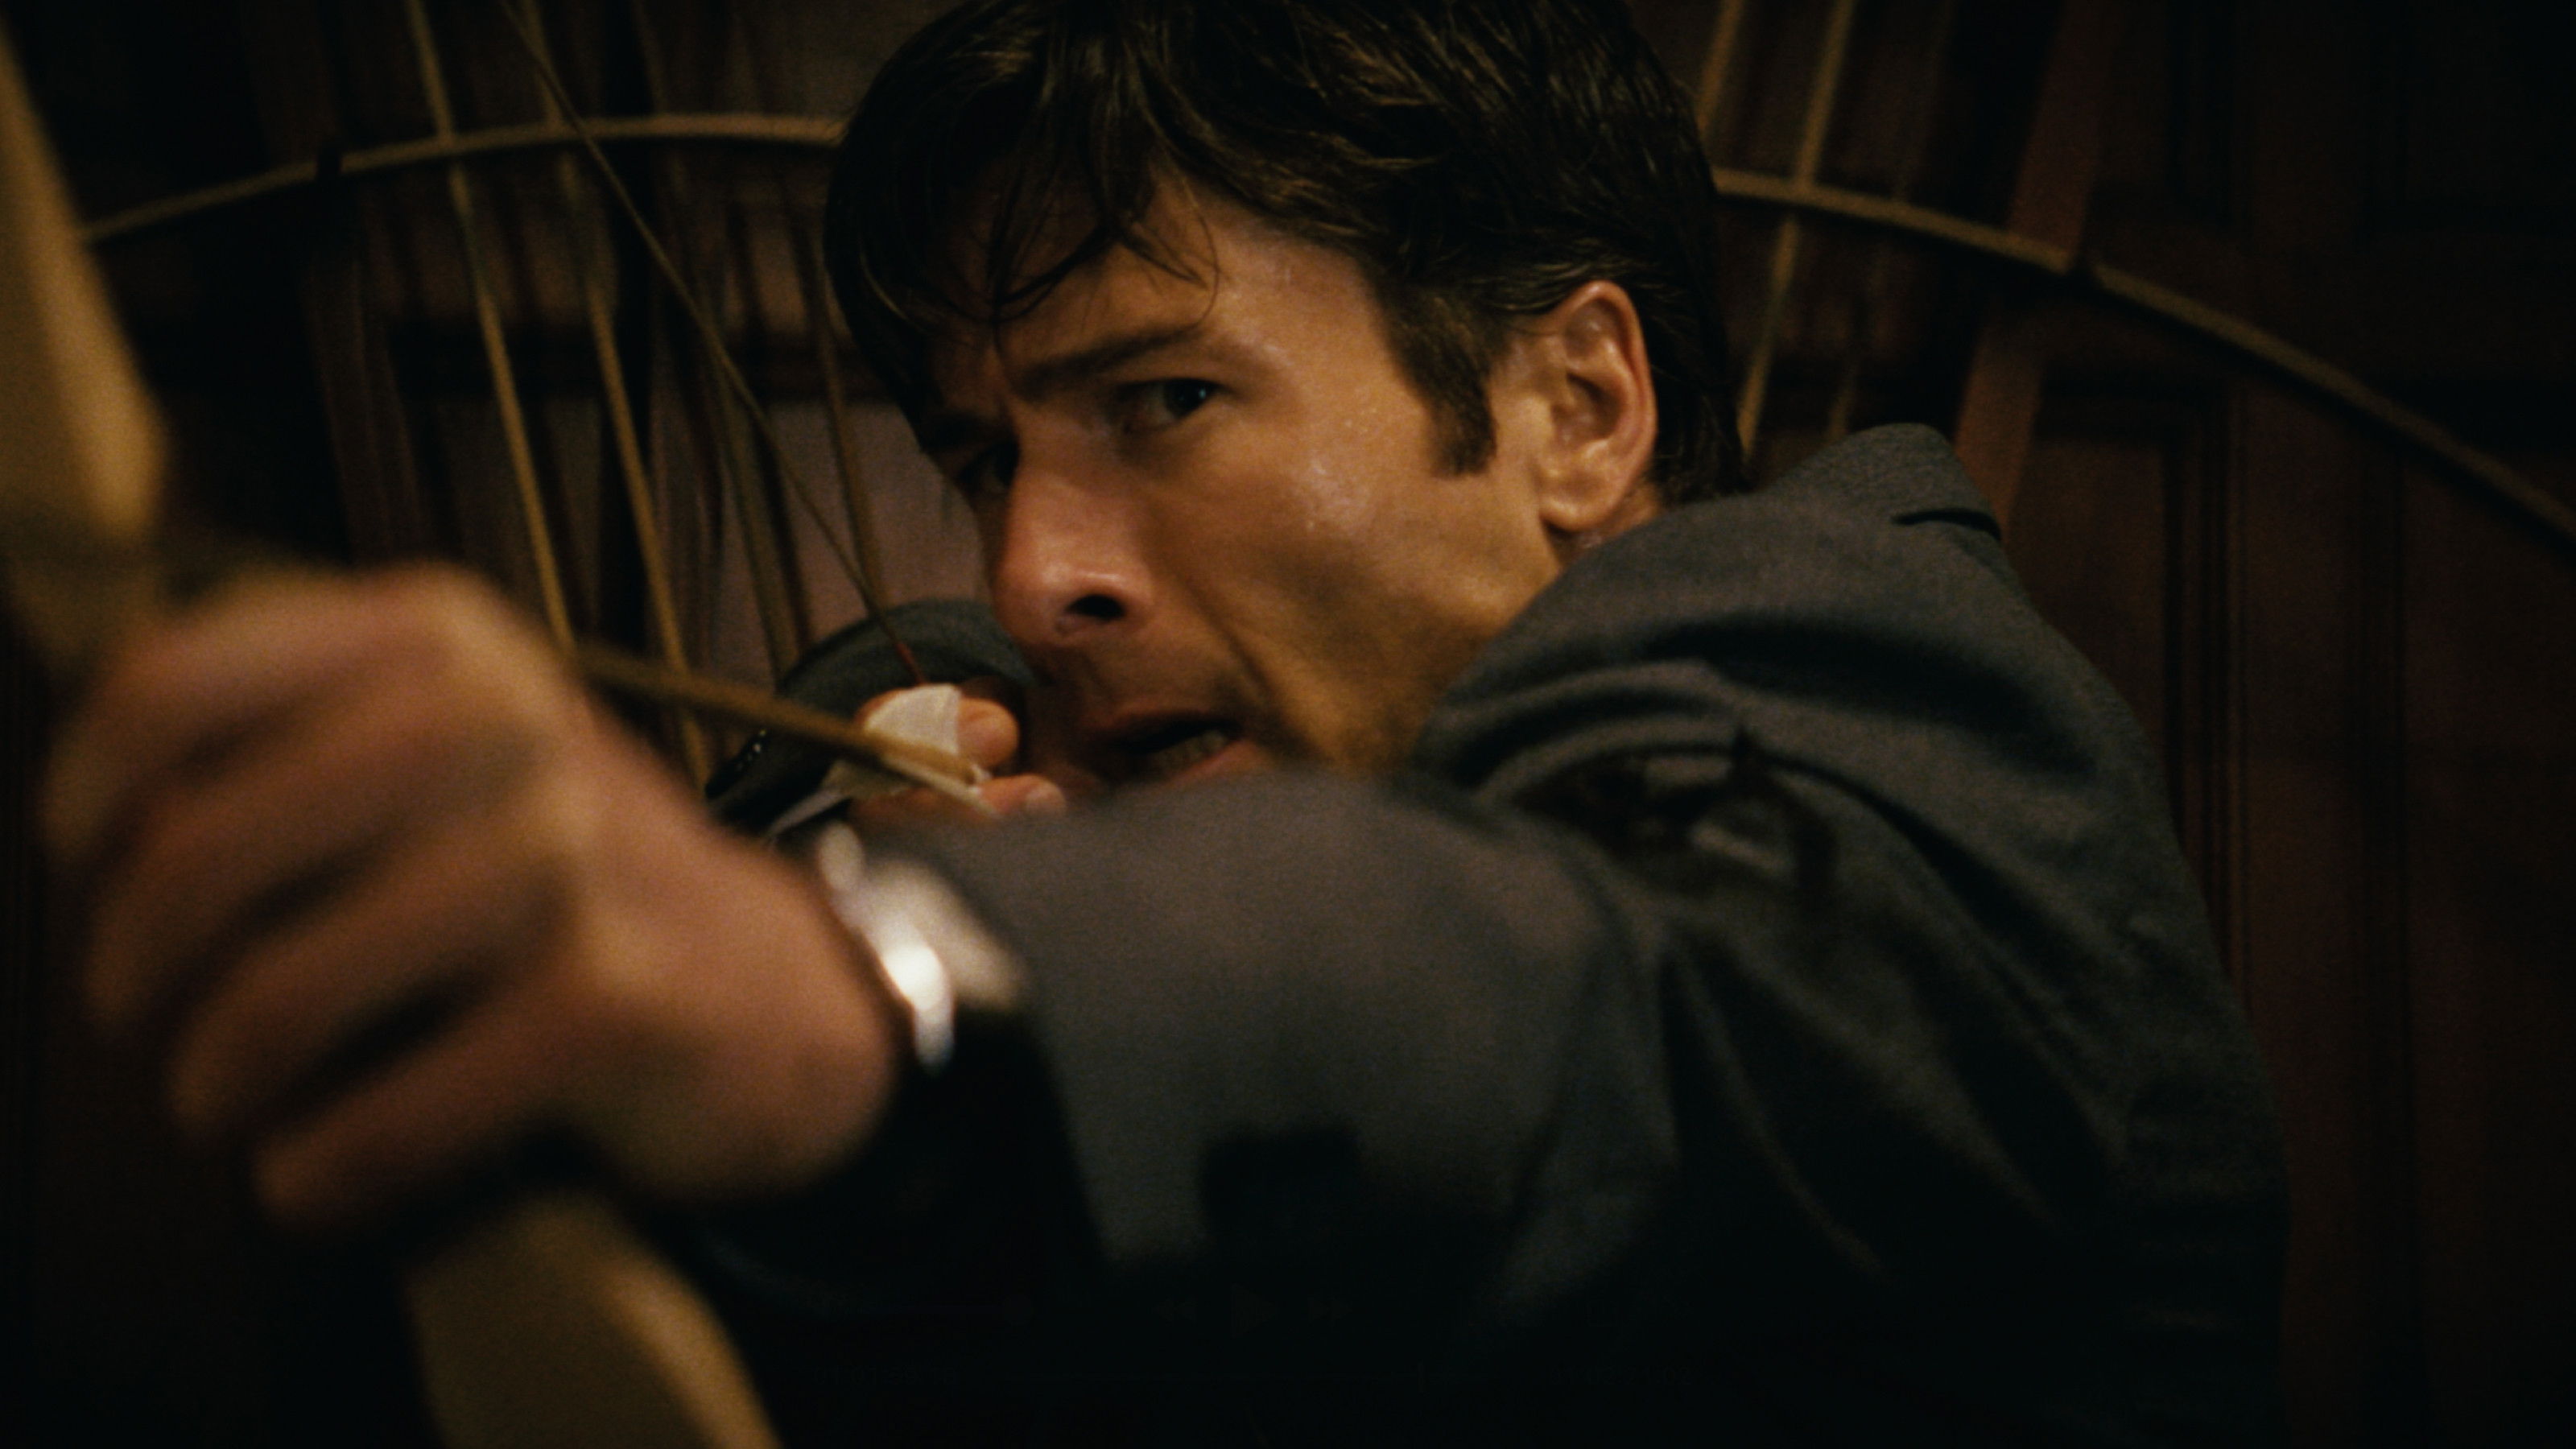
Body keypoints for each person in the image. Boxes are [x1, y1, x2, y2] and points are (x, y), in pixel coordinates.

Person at [39, 0, 2285, 1441]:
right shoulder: (1034, 720)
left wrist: (875, 986)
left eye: (1164, 401)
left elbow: (1617, 997)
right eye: (986, 451)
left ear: (1581, 409)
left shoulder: (1871, 667)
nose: (1042, 569)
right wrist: (818, 844)